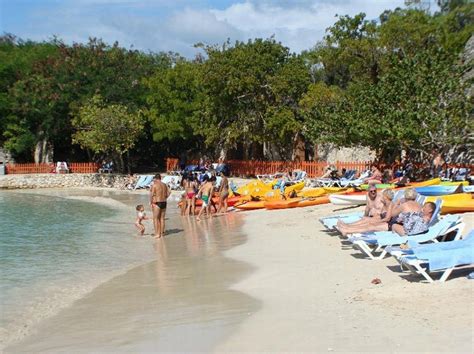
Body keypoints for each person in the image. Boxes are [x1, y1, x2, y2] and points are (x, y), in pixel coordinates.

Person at [150, 174, 170, 238]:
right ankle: (162, 233)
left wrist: (151, 202)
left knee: (155, 219)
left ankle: (157, 234)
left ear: (155, 178)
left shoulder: (154, 185)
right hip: (164, 202)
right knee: (162, 218)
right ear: (160, 178)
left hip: (157, 202)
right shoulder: (164, 185)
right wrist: (165, 198)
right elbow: (169, 193)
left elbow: (152, 195)